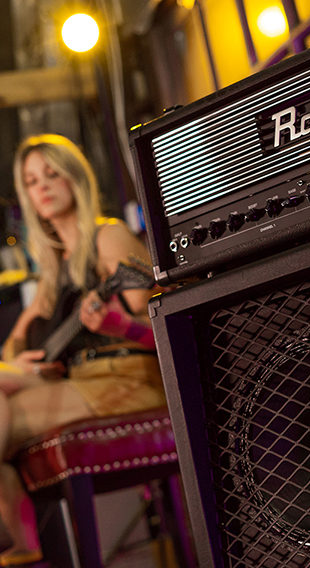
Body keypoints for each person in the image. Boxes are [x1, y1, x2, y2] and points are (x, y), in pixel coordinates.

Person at [0, 133, 166, 567]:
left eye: (53, 173)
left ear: (75, 178)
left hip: (128, 383)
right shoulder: (54, 267)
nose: (44, 186)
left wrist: (115, 324)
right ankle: (22, 547)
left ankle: (22, 547)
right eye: (33, 181)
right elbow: (15, 341)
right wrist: (17, 360)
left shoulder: (107, 238)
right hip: (79, 385)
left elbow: (164, 333)